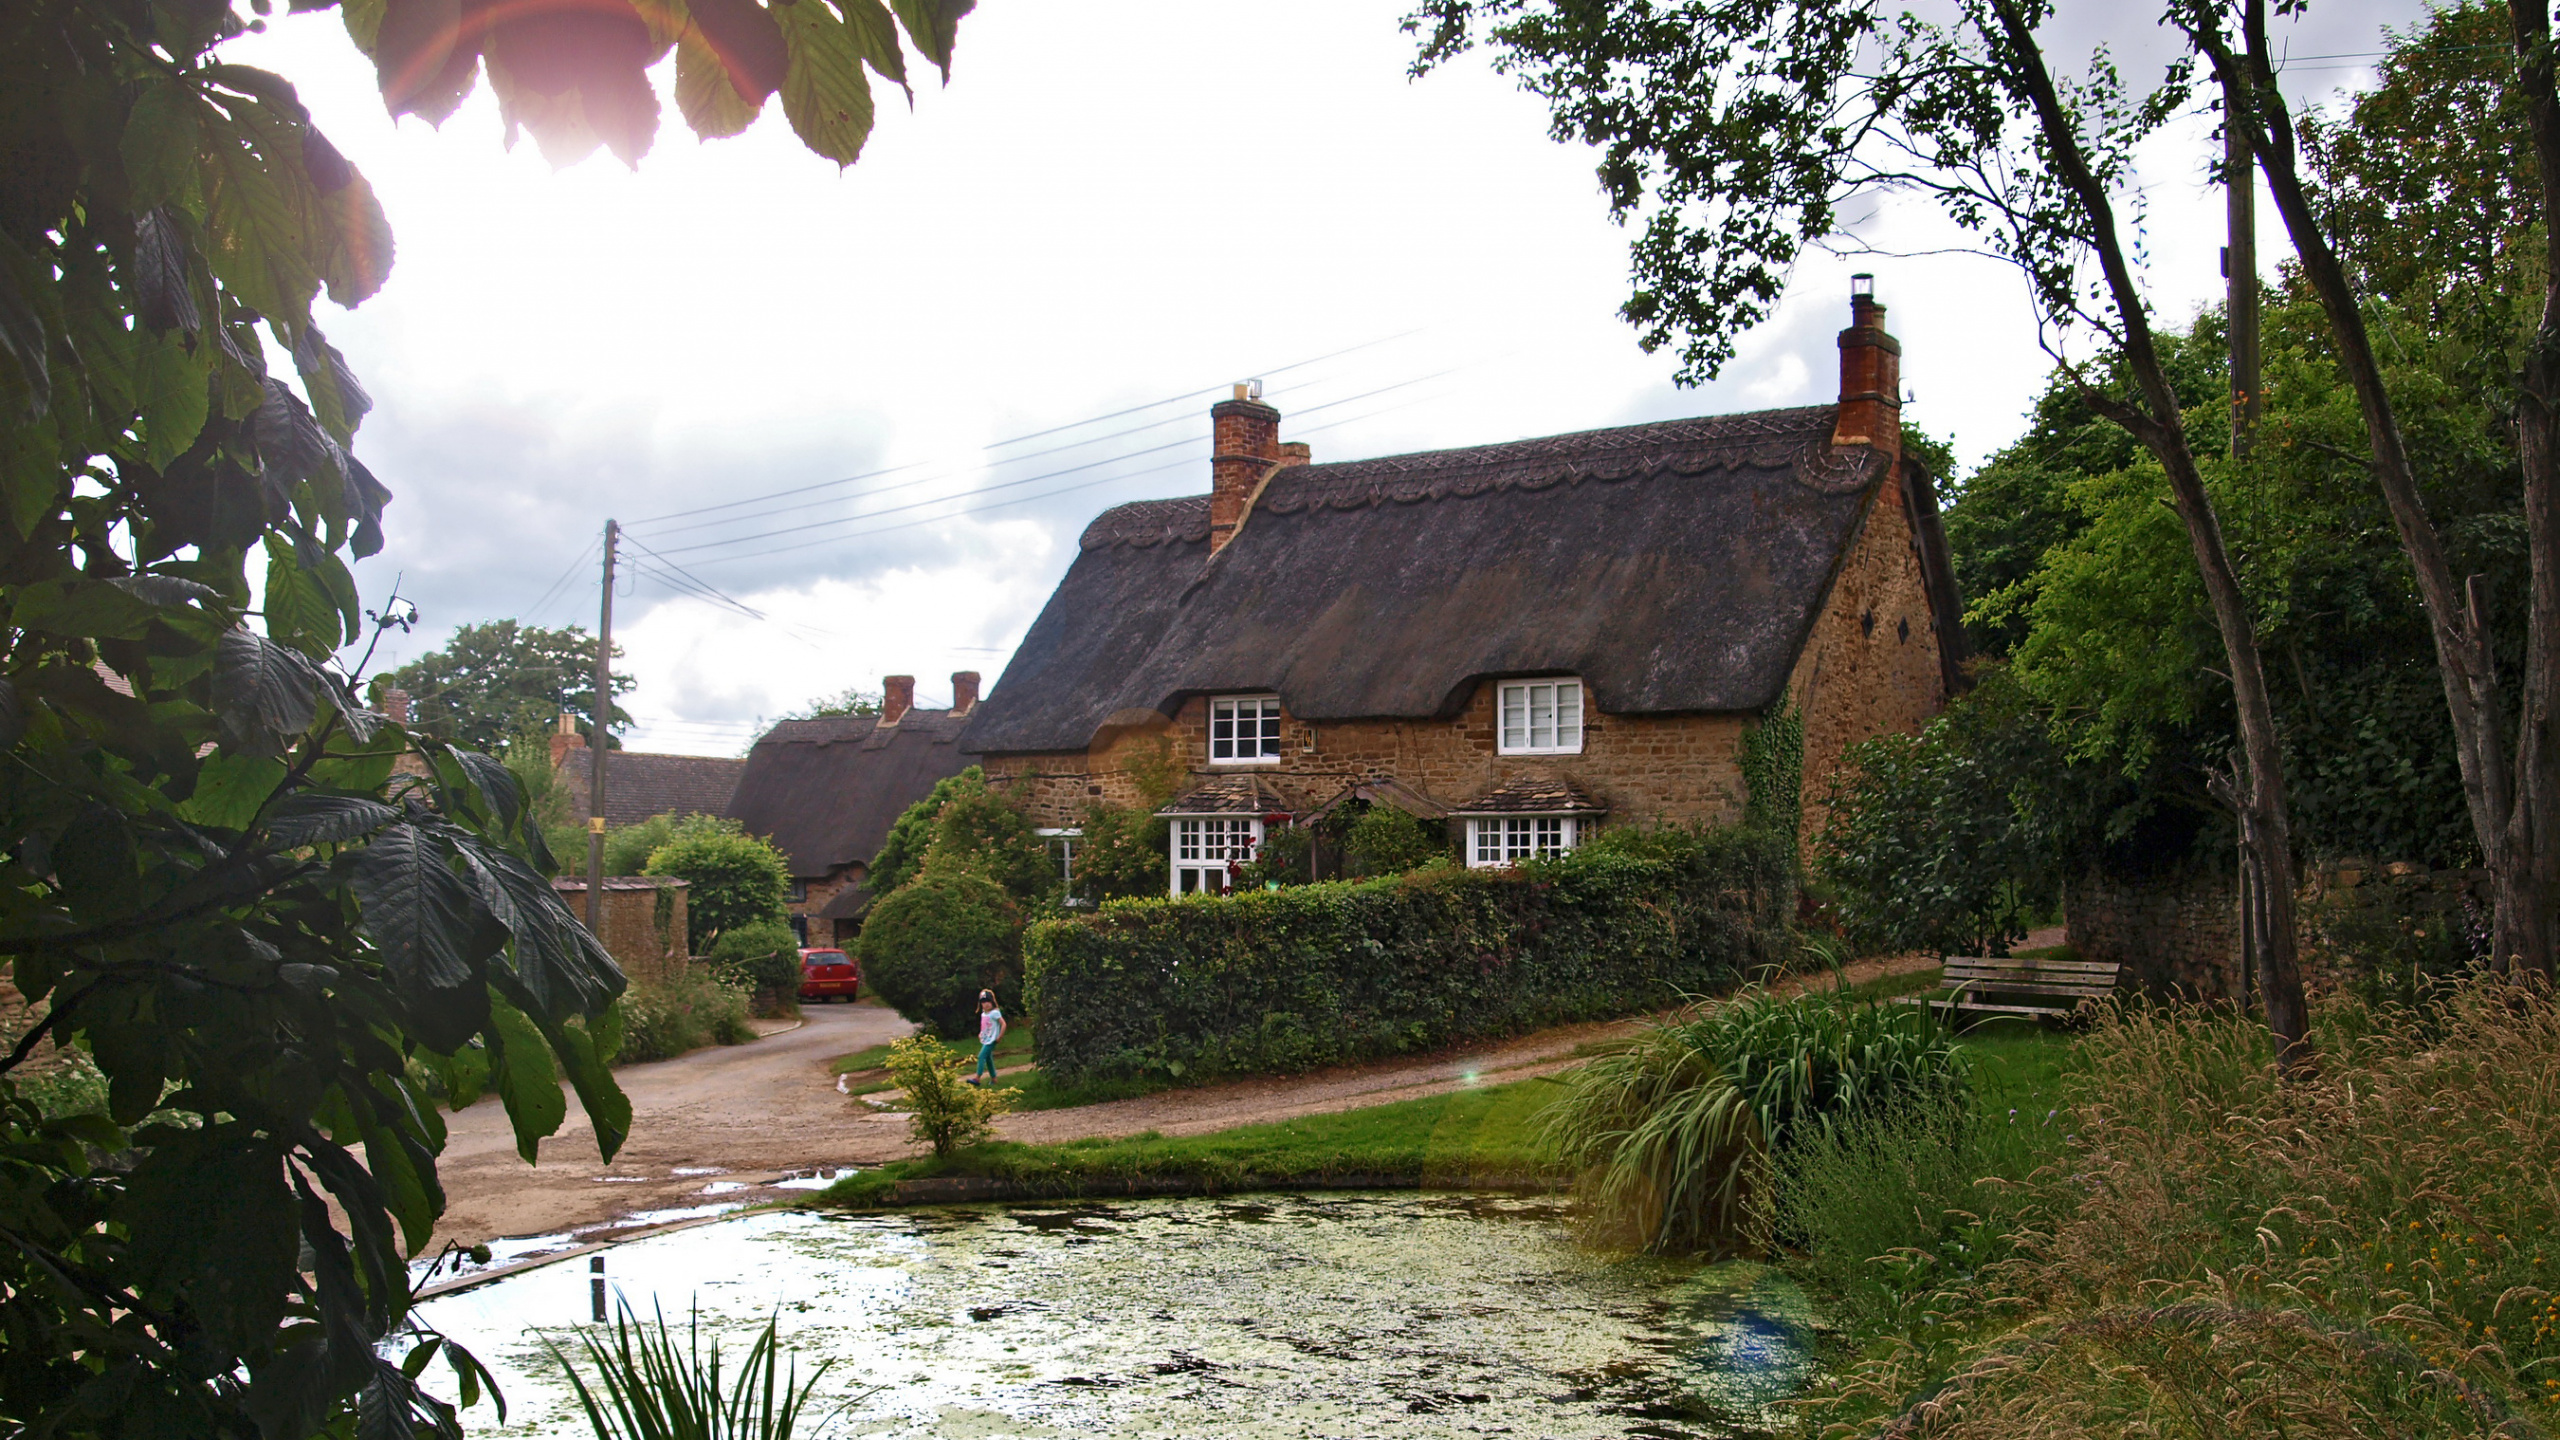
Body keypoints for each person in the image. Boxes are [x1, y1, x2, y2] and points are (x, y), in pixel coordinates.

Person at [970, 989, 1004, 1086]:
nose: (986, 1004)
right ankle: (994, 1079)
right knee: (988, 1059)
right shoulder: (983, 1014)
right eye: (983, 1002)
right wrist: (981, 1034)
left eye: (988, 1001)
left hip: (992, 1040)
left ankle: (977, 1078)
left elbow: (1003, 1024)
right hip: (986, 1039)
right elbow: (985, 1026)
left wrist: (1000, 1036)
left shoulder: (995, 1013)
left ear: (992, 1001)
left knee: (981, 1056)